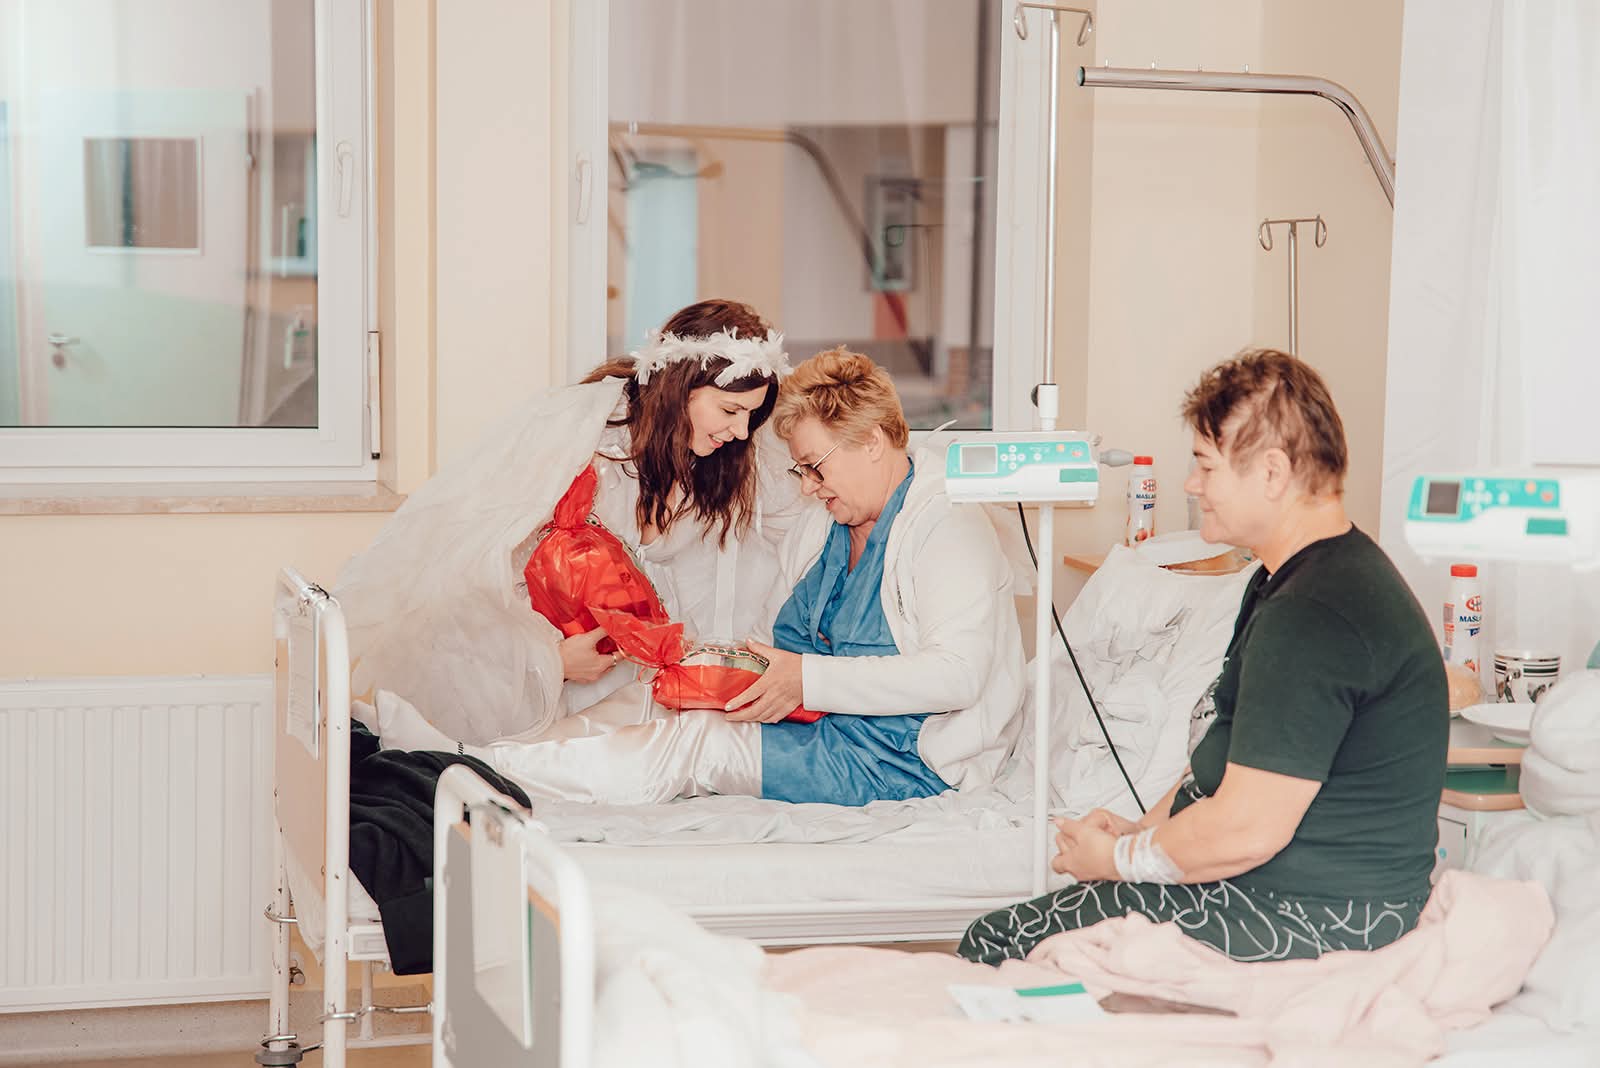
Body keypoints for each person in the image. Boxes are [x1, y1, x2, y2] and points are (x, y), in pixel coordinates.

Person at [960, 349, 1448, 965]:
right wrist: (1141, 834)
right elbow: (1219, 765)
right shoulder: (1285, 581)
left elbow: (1247, 830)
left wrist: (1118, 860)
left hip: (1317, 915)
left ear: (1272, 473)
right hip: (1272, 889)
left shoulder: (1315, 613)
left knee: (997, 942)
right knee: (1042, 923)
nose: (1192, 485)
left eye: (1205, 465)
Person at [374, 348, 1026, 806]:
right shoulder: (829, 525)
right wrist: (721, 668)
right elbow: (781, 638)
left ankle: (466, 774)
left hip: (897, 760)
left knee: (698, 746)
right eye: (800, 470)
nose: (808, 487)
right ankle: (468, 752)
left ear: (873, 441)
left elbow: (958, 675)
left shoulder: (947, 525)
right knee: (660, 693)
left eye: (816, 467)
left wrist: (803, 678)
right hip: (821, 720)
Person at [335, 299, 805, 744]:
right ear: (681, 387)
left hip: (624, 669)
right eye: (730, 410)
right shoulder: (585, 440)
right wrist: (551, 661)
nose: (741, 431)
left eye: (751, 416)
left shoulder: (727, 460)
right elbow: (482, 574)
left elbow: (803, 528)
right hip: (545, 663)